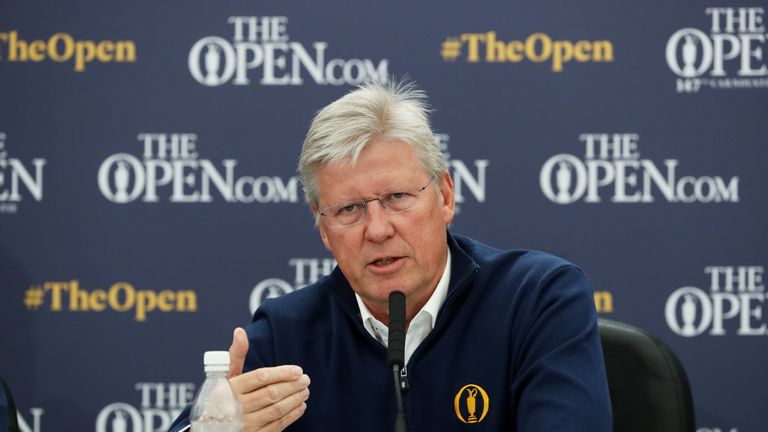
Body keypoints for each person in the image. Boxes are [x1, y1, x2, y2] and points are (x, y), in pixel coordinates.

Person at [169, 81, 612, 432]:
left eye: (397, 197)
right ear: (323, 228)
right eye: (349, 210)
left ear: (444, 196)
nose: (378, 229)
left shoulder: (536, 299)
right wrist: (215, 430)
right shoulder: (287, 334)